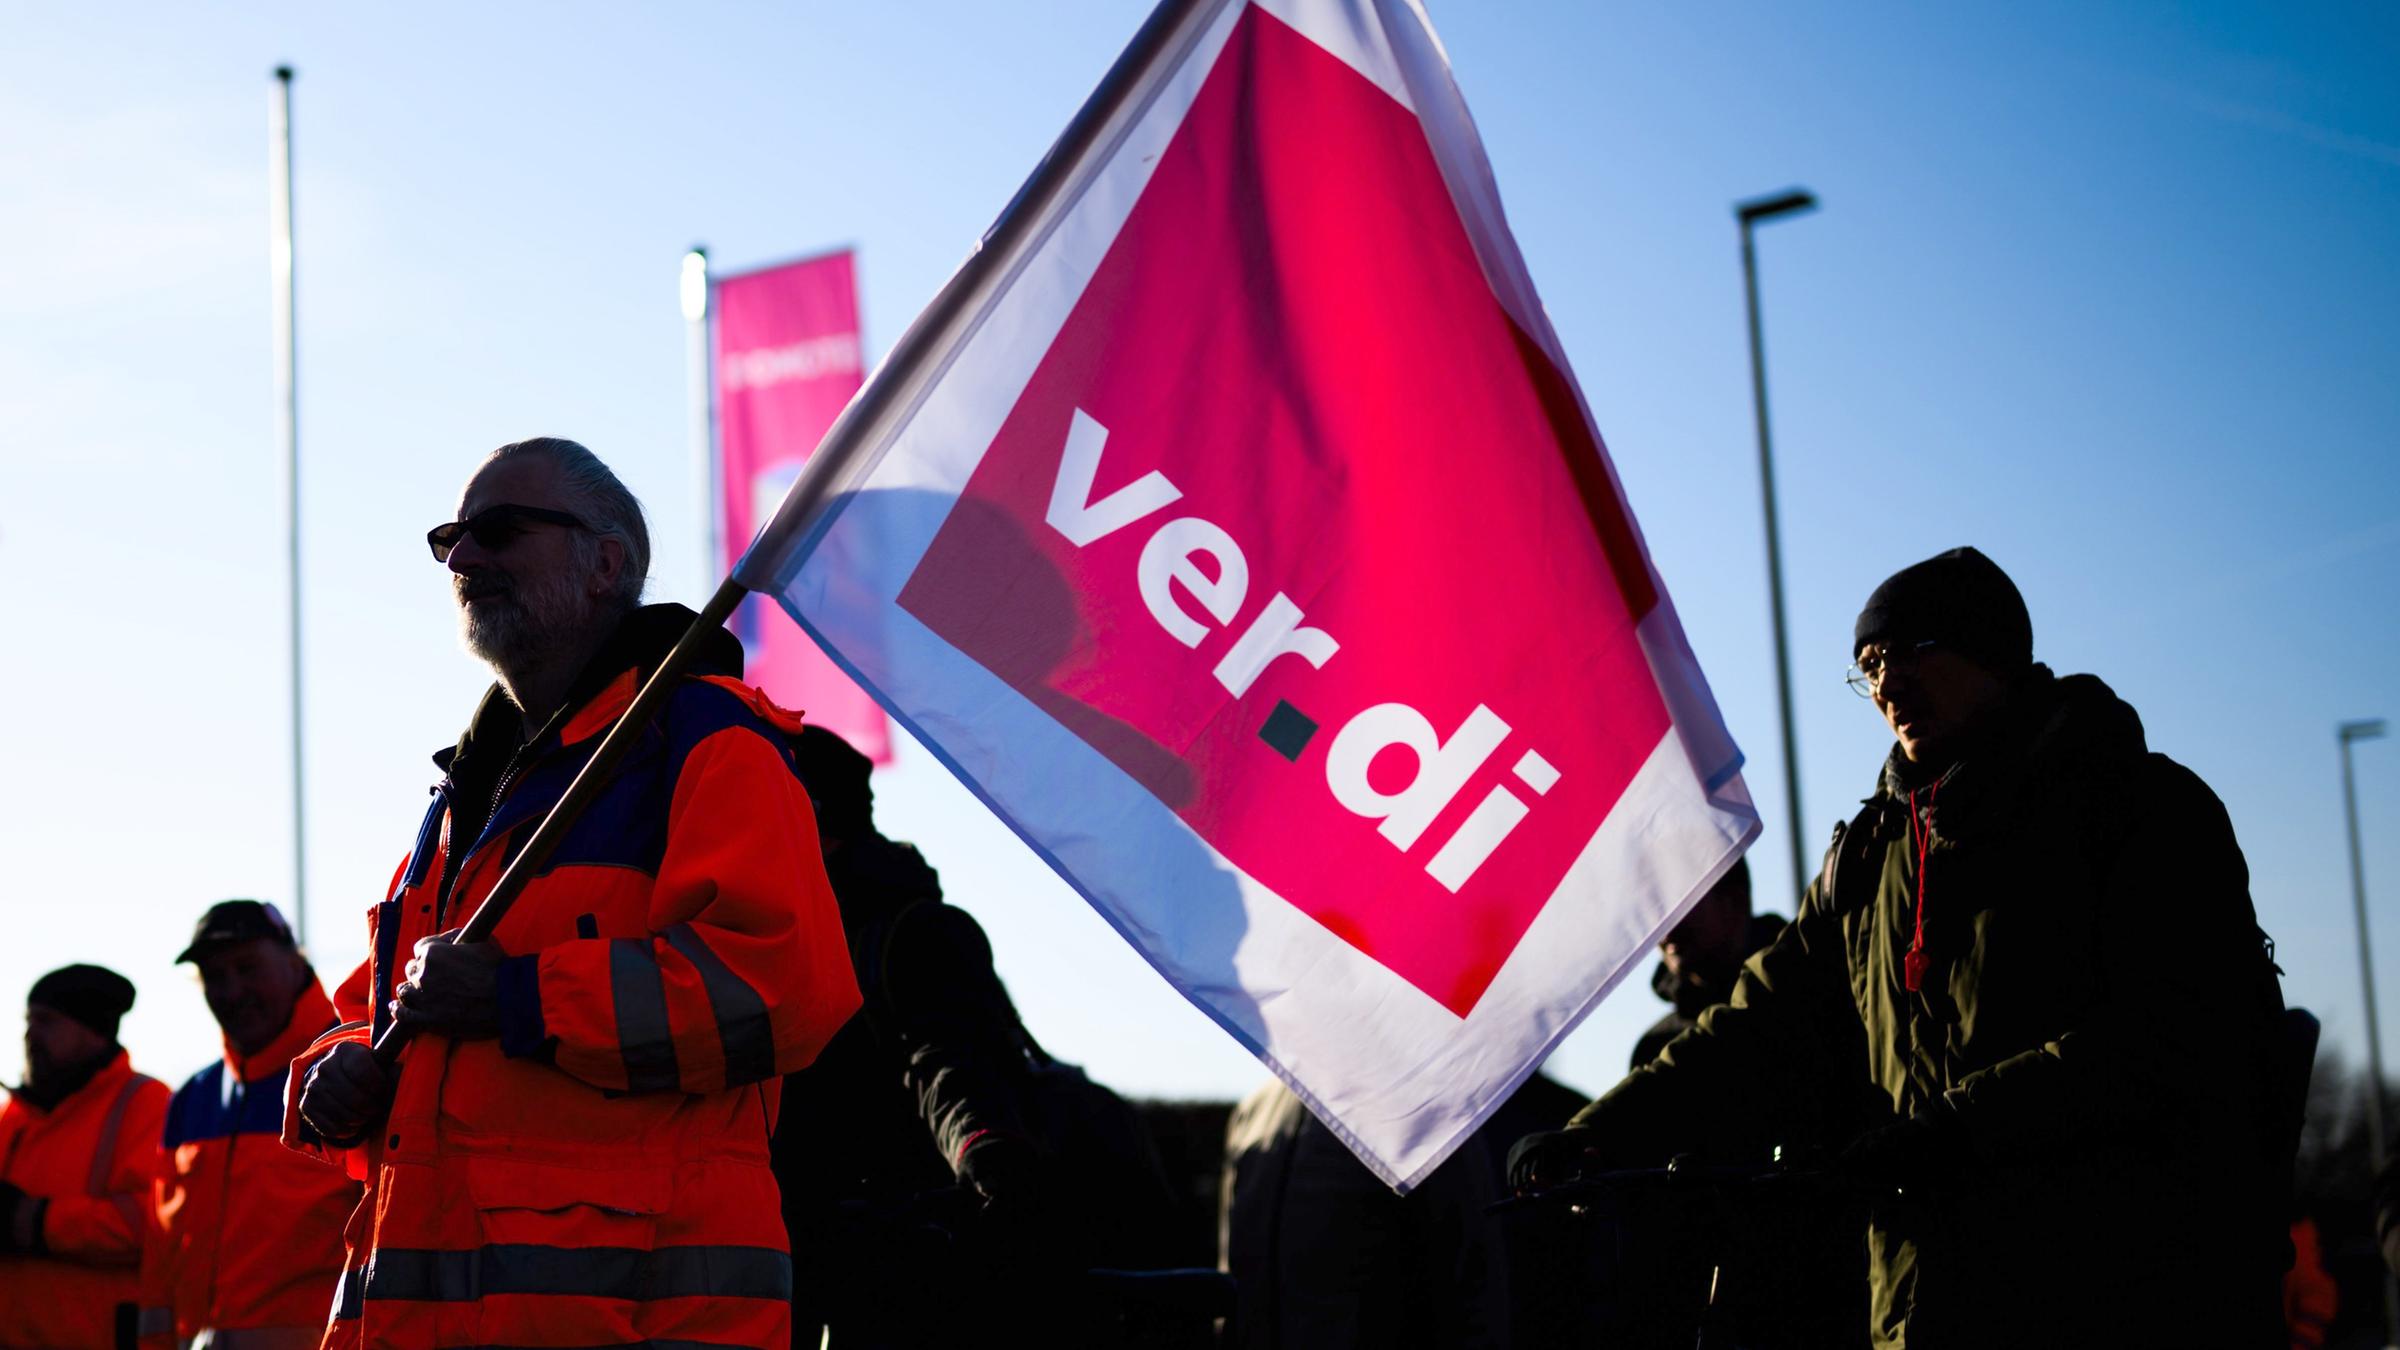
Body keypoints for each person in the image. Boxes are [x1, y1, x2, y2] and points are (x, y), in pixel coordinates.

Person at [1511, 547, 2290, 1348]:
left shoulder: (2136, 808)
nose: (1885, 686)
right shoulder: (1871, 859)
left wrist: (1945, 1136)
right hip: (1925, 1308)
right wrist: (1605, 1130)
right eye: (1869, 667)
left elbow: (2171, 1041)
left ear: (1990, 650)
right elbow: (1753, 1026)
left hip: (2125, 1298)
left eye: (1910, 653)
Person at [283, 437, 861, 1350]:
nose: (464, 558)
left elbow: (785, 988)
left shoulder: (708, 742)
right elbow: (385, 1017)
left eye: (499, 532)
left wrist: (518, 996)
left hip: (643, 1319)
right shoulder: (459, 797)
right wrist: (338, 1070)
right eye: (451, 540)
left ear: (607, 564)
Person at [772, 725, 1177, 1346]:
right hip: (819, 1262)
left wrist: (985, 1154)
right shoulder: (781, 938)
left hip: (899, 1273)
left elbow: (948, 1066)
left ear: (815, 824)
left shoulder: (910, 934)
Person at [138, 901, 356, 1350]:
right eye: (215, 977)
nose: (232, 991)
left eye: (247, 967)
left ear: (295, 961)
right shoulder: (191, 1100)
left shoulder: (357, 1071)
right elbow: (160, 1262)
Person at [0, 964, 170, 1350]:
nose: (30, 1035)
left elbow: (156, 1223)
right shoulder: (13, 1118)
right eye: (29, 1021)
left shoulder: (145, 1105)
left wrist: (34, 1221)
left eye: (47, 1022)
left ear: (93, 1030)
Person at [1628, 858, 1782, 1069]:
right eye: (1657, 909)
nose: (1666, 929)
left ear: (1735, 901)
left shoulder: (1807, 994)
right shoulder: (1654, 1050)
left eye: (1682, 903)